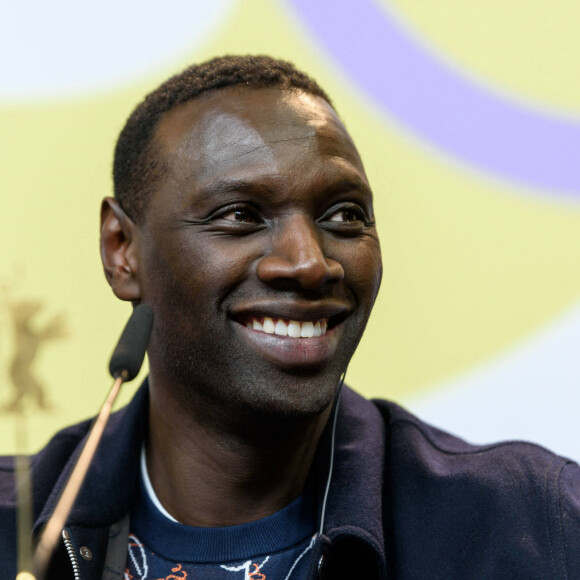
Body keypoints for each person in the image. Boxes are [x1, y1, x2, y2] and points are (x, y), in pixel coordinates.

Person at [1, 55, 579, 580]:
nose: (309, 263)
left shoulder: (534, 525)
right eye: (239, 216)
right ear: (122, 249)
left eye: (345, 214)